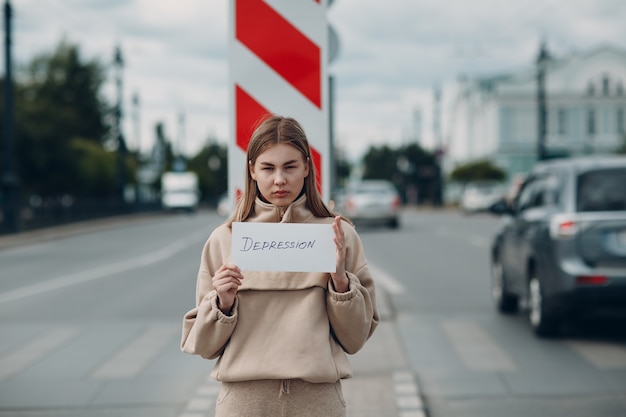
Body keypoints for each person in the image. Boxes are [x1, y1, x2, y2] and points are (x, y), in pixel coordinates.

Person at [180, 115, 379, 417]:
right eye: (268, 168)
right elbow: (205, 347)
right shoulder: (224, 239)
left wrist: (341, 284)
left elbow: (356, 338)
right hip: (244, 403)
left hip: (317, 402)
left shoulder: (339, 236)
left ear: (307, 168)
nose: (279, 179)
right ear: (252, 171)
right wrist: (222, 303)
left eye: (290, 166)